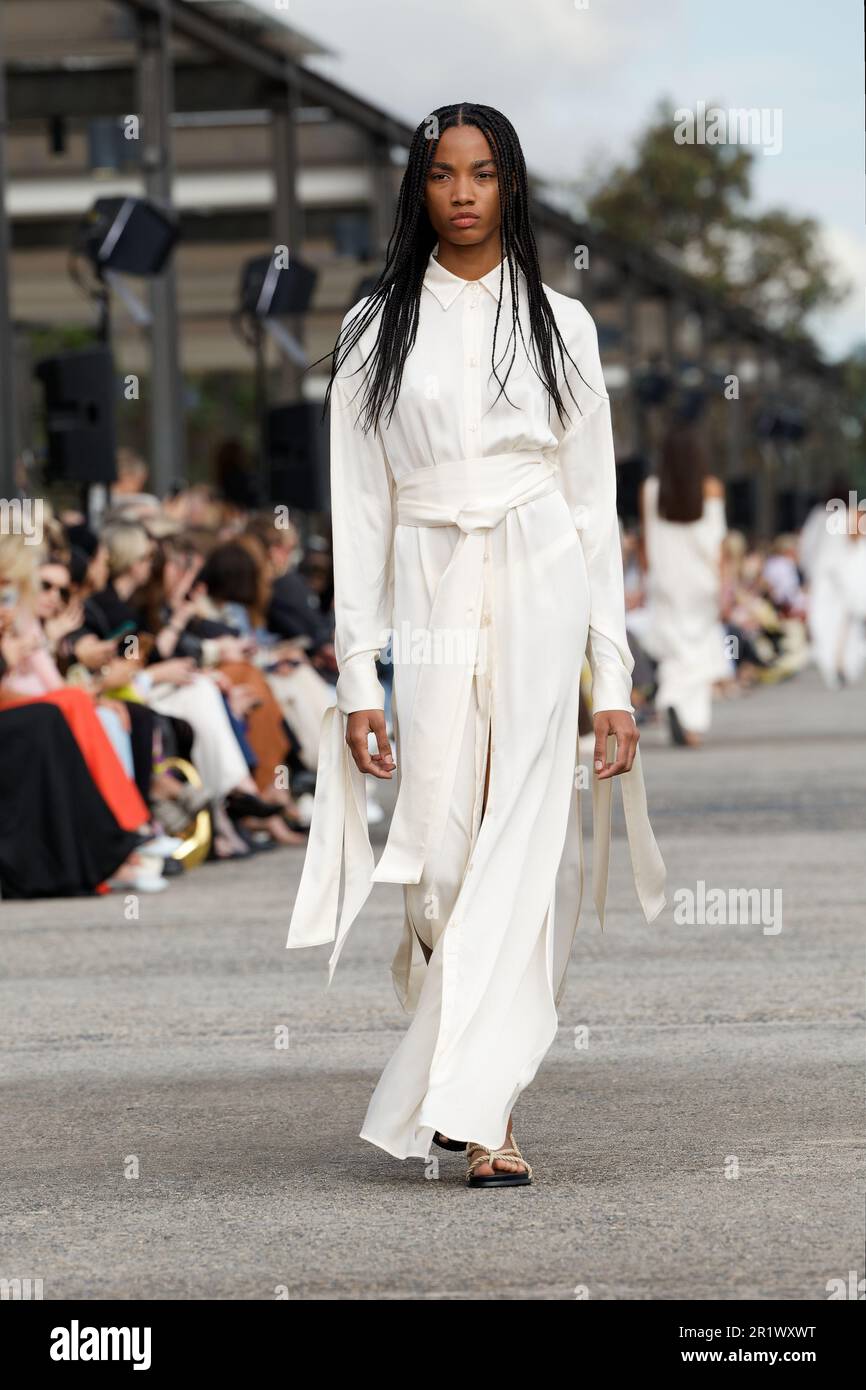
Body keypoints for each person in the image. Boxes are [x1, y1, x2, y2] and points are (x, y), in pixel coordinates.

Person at [286, 103, 666, 1187]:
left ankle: (487, 1112)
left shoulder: (564, 324)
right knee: (443, 853)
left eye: (483, 172)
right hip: (425, 578)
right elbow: (355, 513)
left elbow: (591, 509)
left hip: (541, 568)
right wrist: (356, 677)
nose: (461, 190)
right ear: (416, 189)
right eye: (443, 172)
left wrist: (614, 681)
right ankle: (454, 1052)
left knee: (528, 844)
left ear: (510, 188)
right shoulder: (371, 332)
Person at [639, 426, 732, 746]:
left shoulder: (650, 489)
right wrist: (725, 588)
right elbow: (716, 545)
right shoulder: (711, 488)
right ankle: (683, 712)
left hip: (664, 580)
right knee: (699, 649)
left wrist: (648, 578)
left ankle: (674, 705)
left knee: (673, 650)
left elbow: (647, 539)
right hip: (700, 582)